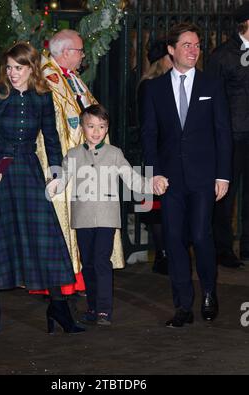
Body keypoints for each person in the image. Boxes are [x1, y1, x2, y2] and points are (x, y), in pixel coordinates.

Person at [0, 42, 85, 336]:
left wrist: (55, 173)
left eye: (18, 68)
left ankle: (58, 307)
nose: (12, 73)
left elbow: (52, 138)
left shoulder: (42, 97)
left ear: (32, 68)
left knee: (46, 239)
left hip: (29, 169)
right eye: (9, 68)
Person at [140, 23, 232, 327]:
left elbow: (223, 132)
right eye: (187, 45)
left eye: (197, 45)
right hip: (170, 179)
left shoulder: (212, 85)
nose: (194, 51)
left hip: (205, 176)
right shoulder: (154, 89)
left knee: (200, 235)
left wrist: (223, 175)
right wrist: (153, 173)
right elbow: (149, 134)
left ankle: (208, 291)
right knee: (174, 239)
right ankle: (182, 305)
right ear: (171, 50)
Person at [47, 104, 166, 325]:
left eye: (101, 126)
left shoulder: (114, 154)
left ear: (107, 128)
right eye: (91, 126)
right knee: (88, 263)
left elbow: (131, 178)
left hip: (106, 217)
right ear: (82, 128)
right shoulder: (73, 155)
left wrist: (152, 184)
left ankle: (104, 310)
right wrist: (53, 184)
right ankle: (92, 308)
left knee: (101, 260)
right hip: (82, 218)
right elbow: (61, 178)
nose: (96, 131)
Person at [35, 29, 125, 297]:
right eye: (80, 51)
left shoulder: (71, 78)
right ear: (65, 53)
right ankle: (64, 280)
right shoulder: (48, 79)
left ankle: (85, 279)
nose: (83, 55)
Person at [206, 2, 249, 268]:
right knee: (226, 195)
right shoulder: (223, 55)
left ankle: (247, 247)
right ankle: (223, 249)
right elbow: (212, 99)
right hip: (232, 136)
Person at [138, 39, 173, 275]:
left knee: (166, 206)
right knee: (157, 208)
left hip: (167, 152)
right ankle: (162, 254)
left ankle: (167, 252)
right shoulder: (150, 86)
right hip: (156, 153)